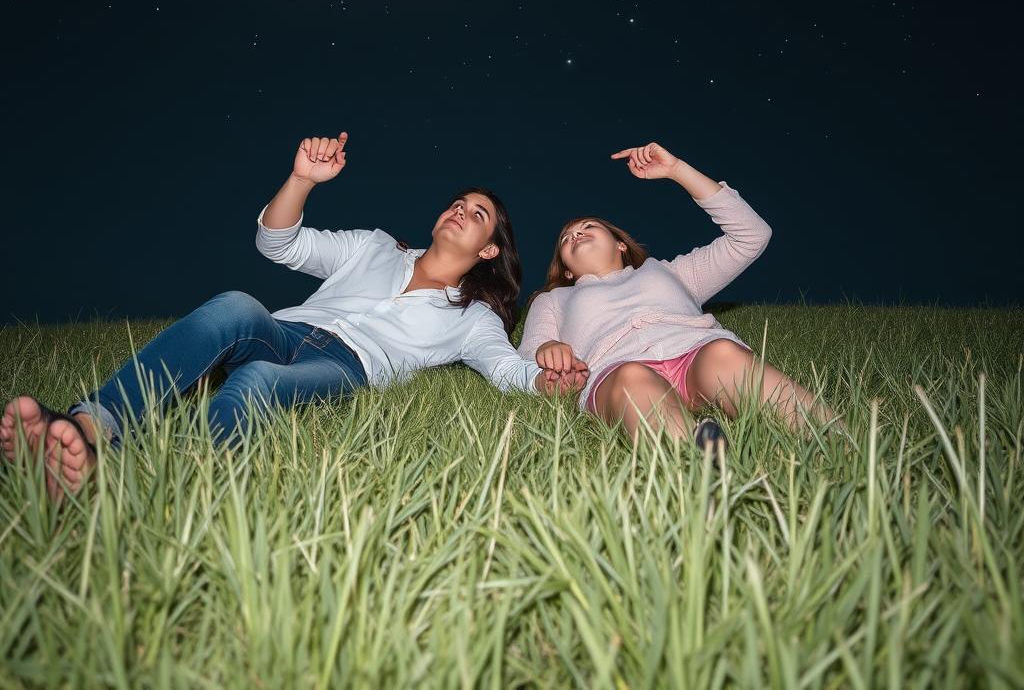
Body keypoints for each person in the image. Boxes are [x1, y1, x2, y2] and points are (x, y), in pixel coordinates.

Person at [2, 131, 579, 502]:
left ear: (488, 250)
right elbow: (278, 243)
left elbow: (508, 371)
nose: (460, 209)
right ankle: (86, 429)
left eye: (477, 214)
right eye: (458, 201)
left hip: (346, 364)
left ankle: (169, 491)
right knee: (233, 305)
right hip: (286, 327)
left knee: (256, 382)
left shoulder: (472, 317)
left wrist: (551, 379)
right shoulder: (372, 246)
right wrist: (303, 178)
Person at [516, 141, 838, 453]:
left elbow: (752, 236)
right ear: (568, 271)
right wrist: (548, 349)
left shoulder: (668, 272)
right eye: (566, 239)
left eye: (588, 227)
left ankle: (842, 445)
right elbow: (530, 352)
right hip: (616, 368)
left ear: (620, 245)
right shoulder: (555, 299)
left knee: (723, 352)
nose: (577, 234)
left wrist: (677, 170)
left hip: (693, 352)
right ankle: (695, 471)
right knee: (632, 378)